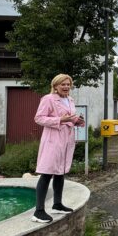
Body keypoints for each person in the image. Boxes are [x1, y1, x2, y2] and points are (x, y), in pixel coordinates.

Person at [31, 74, 85, 223]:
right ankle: (38, 211)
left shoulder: (70, 100)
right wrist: (60, 120)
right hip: (53, 141)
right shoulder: (48, 99)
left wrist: (77, 121)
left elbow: (70, 117)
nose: (66, 87)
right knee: (47, 173)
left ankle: (57, 203)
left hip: (66, 140)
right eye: (63, 84)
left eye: (68, 84)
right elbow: (39, 118)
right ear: (55, 86)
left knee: (60, 172)